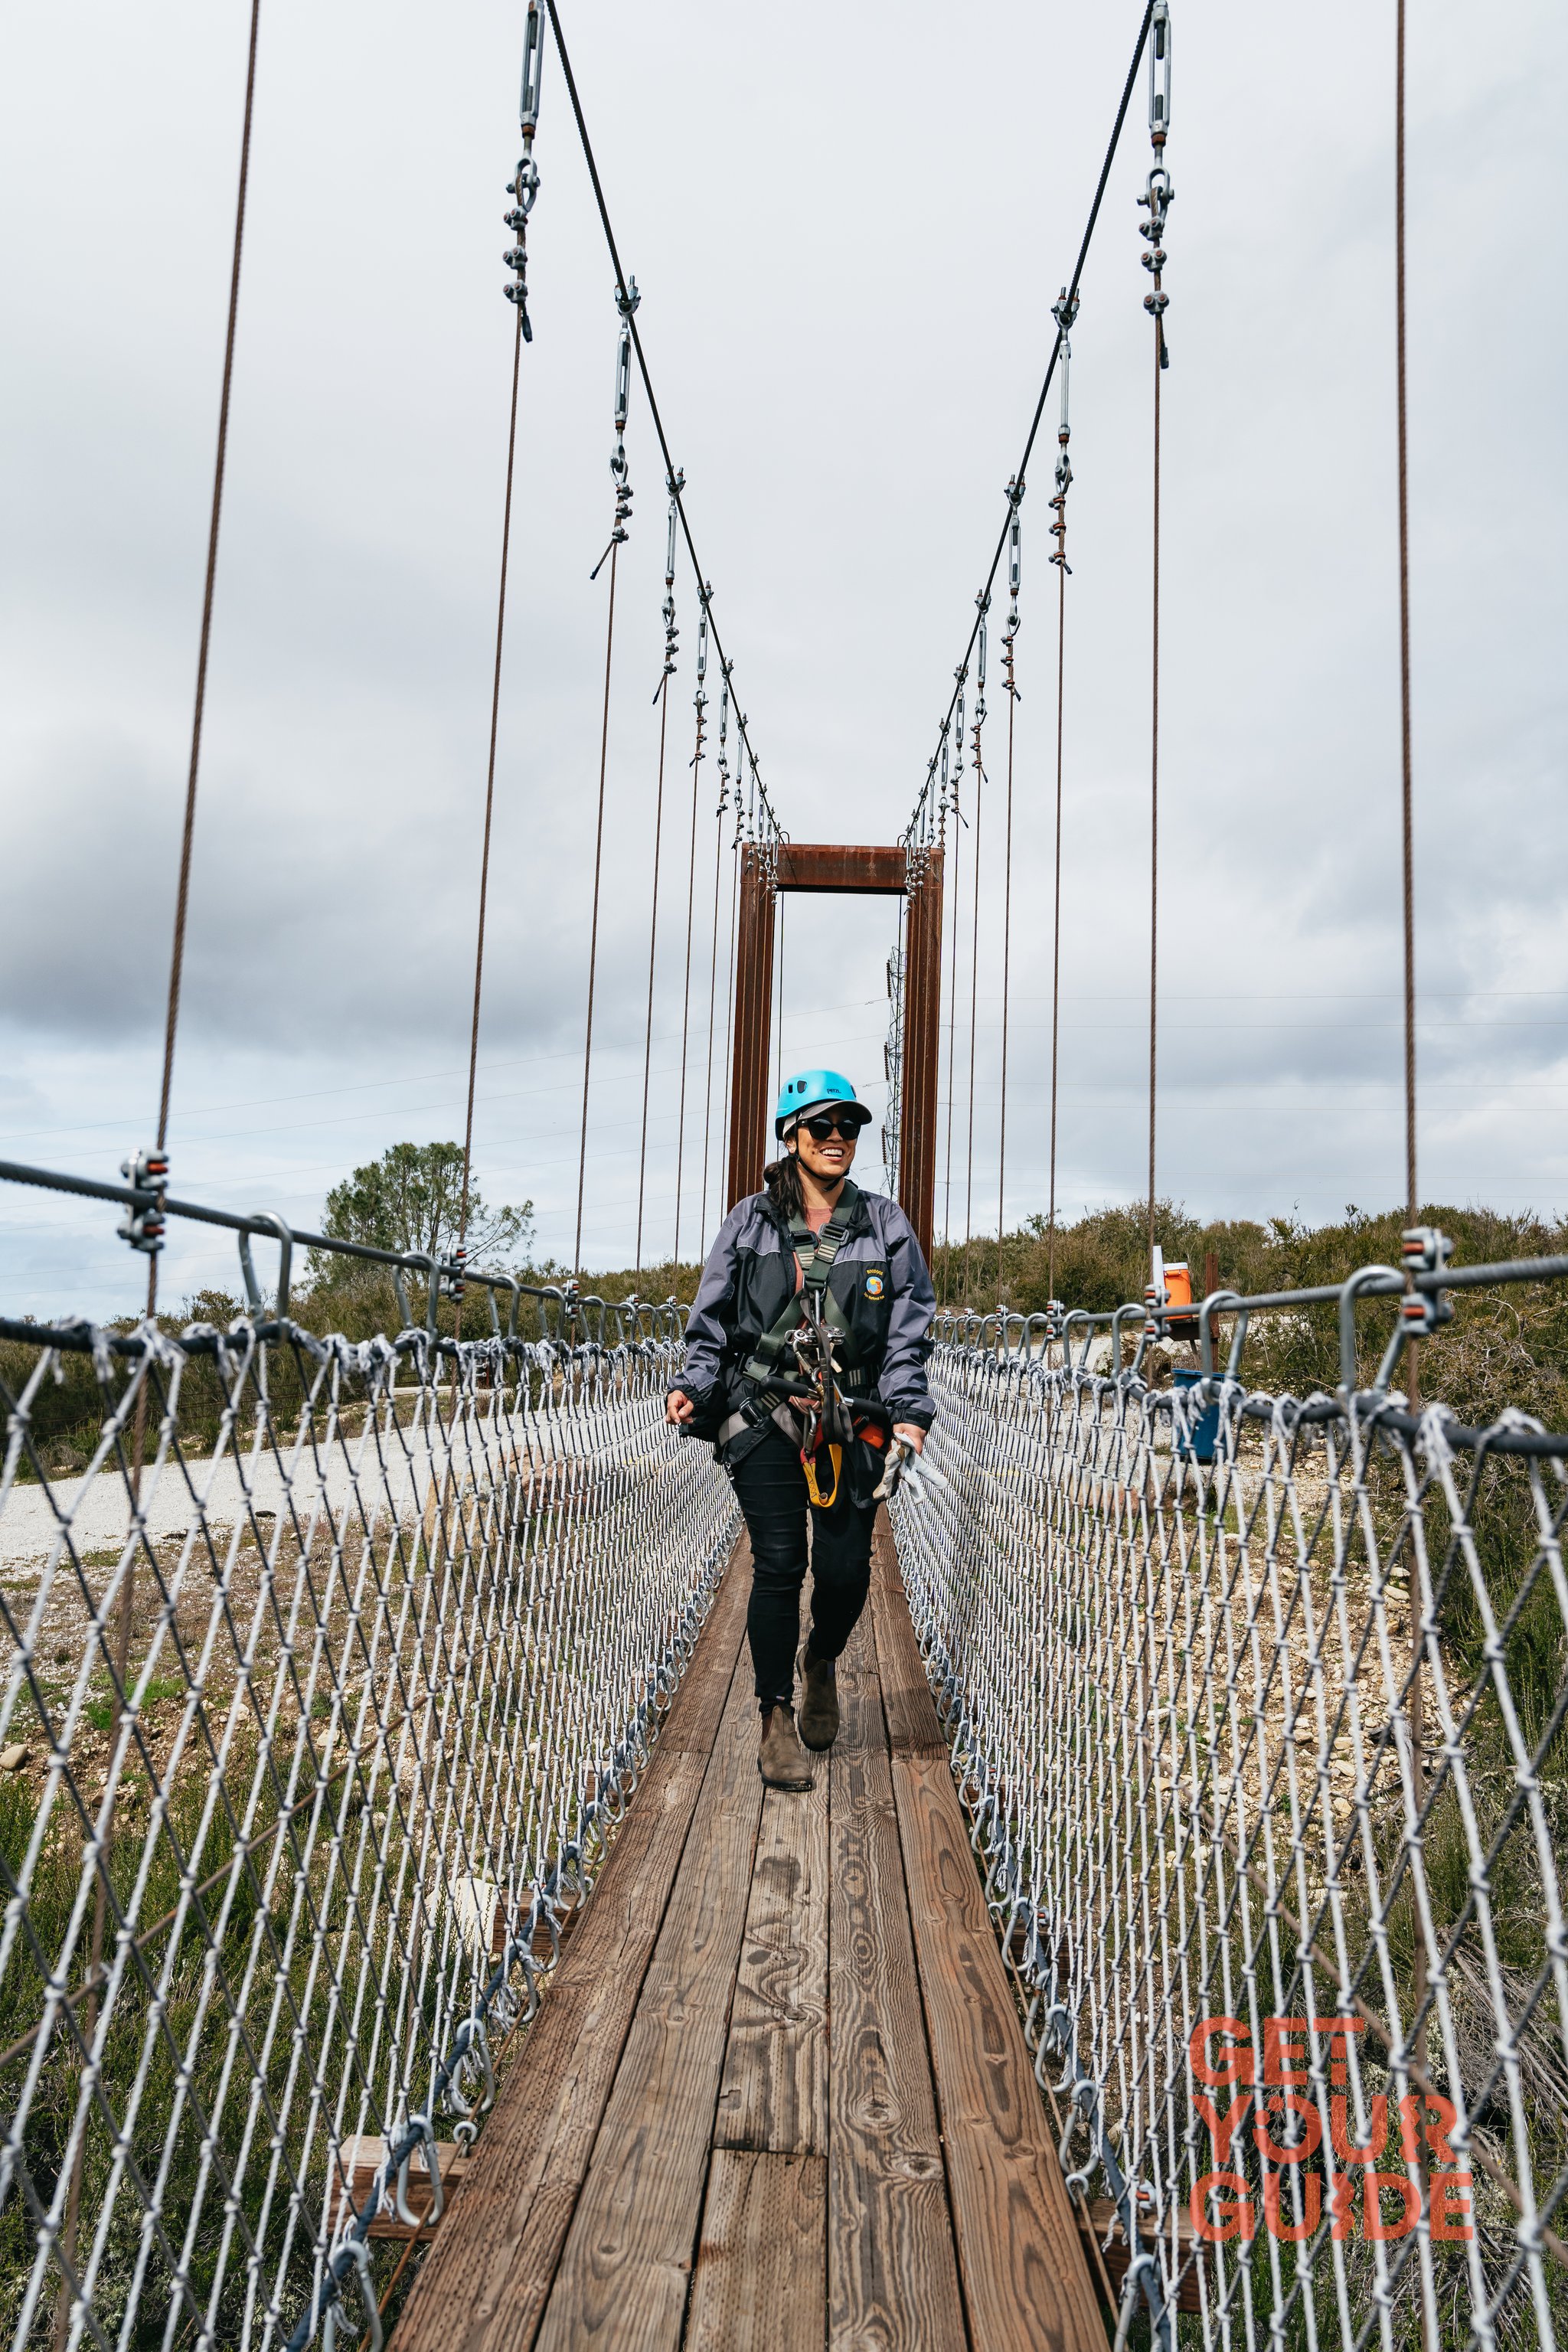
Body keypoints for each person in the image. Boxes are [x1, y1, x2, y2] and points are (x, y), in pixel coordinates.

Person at [666, 1069, 936, 1788]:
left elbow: (909, 1331)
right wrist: (694, 1386)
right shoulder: (749, 1221)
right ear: (791, 1137)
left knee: (846, 1575)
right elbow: (711, 1319)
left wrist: (910, 1412)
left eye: (850, 1127)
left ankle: (821, 1656)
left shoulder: (886, 1224)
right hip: (762, 1415)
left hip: (854, 1419)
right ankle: (775, 1716)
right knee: (780, 1563)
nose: (839, 1139)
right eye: (823, 1127)